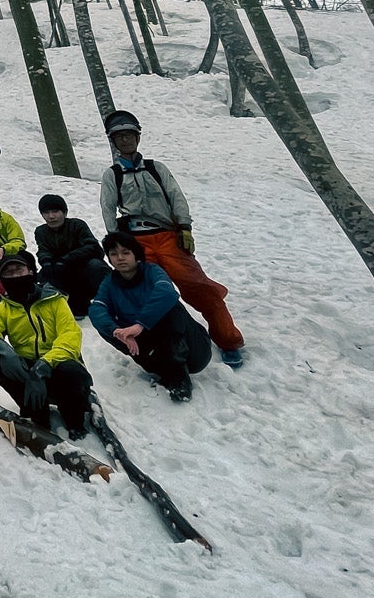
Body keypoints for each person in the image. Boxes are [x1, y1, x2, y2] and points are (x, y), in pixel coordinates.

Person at [99, 110, 244, 366]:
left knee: (198, 286)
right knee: (148, 292)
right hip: (136, 242)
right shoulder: (113, 175)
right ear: (114, 141)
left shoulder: (156, 168)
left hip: (168, 236)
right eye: (119, 137)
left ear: (138, 137)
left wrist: (184, 227)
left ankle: (228, 339)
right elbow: (107, 207)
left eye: (129, 135)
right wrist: (116, 245)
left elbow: (176, 196)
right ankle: (162, 346)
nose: (125, 141)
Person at [0, 252, 92, 438]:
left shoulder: (55, 300)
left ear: (31, 271)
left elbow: (70, 336)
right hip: (27, 367)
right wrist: (3, 351)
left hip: (57, 363)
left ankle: (74, 416)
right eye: (8, 273)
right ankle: (35, 409)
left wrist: (45, 364)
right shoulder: (3, 309)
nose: (15, 276)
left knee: (71, 370)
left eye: (19, 270)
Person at [90, 231, 211, 401]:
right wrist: (117, 331)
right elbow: (97, 308)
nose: (120, 258)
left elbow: (167, 292)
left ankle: (178, 377)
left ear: (136, 255)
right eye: (114, 254)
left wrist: (140, 324)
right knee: (108, 327)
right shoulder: (110, 283)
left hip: (194, 350)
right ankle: (158, 367)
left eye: (125, 253)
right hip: (150, 345)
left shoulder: (152, 271)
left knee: (172, 308)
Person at [35, 194, 107, 315]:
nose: (51, 216)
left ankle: (109, 299)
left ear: (64, 212)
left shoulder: (77, 225)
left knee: (96, 266)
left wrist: (68, 259)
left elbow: (94, 248)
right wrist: (46, 261)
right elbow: (43, 250)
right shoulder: (41, 231)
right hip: (60, 273)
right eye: (46, 212)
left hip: (83, 270)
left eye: (55, 211)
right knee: (43, 276)